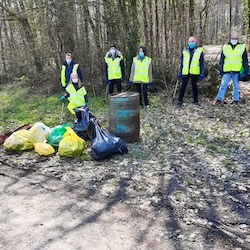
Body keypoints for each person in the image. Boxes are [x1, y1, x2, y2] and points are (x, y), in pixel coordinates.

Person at [215, 34, 248, 105]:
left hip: (237, 70)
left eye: (235, 38)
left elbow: (245, 60)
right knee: (223, 85)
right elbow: (222, 60)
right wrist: (221, 70)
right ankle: (219, 99)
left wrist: (246, 70)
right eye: (233, 38)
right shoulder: (226, 47)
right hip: (227, 70)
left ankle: (235, 100)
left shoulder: (242, 47)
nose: (234, 39)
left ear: (238, 39)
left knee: (236, 86)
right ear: (230, 39)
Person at [177, 36, 204, 108]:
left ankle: (196, 101)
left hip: (194, 72)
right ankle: (180, 101)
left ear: (195, 42)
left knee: (194, 87)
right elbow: (182, 62)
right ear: (188, 42)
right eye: (190, 41)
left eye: (192, 41)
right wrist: (180, 72)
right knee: (183, 87)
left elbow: (201, 63)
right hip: (185, 72)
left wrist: (202, 73)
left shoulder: (199, 50)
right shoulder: (185, 50)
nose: (191, 43)